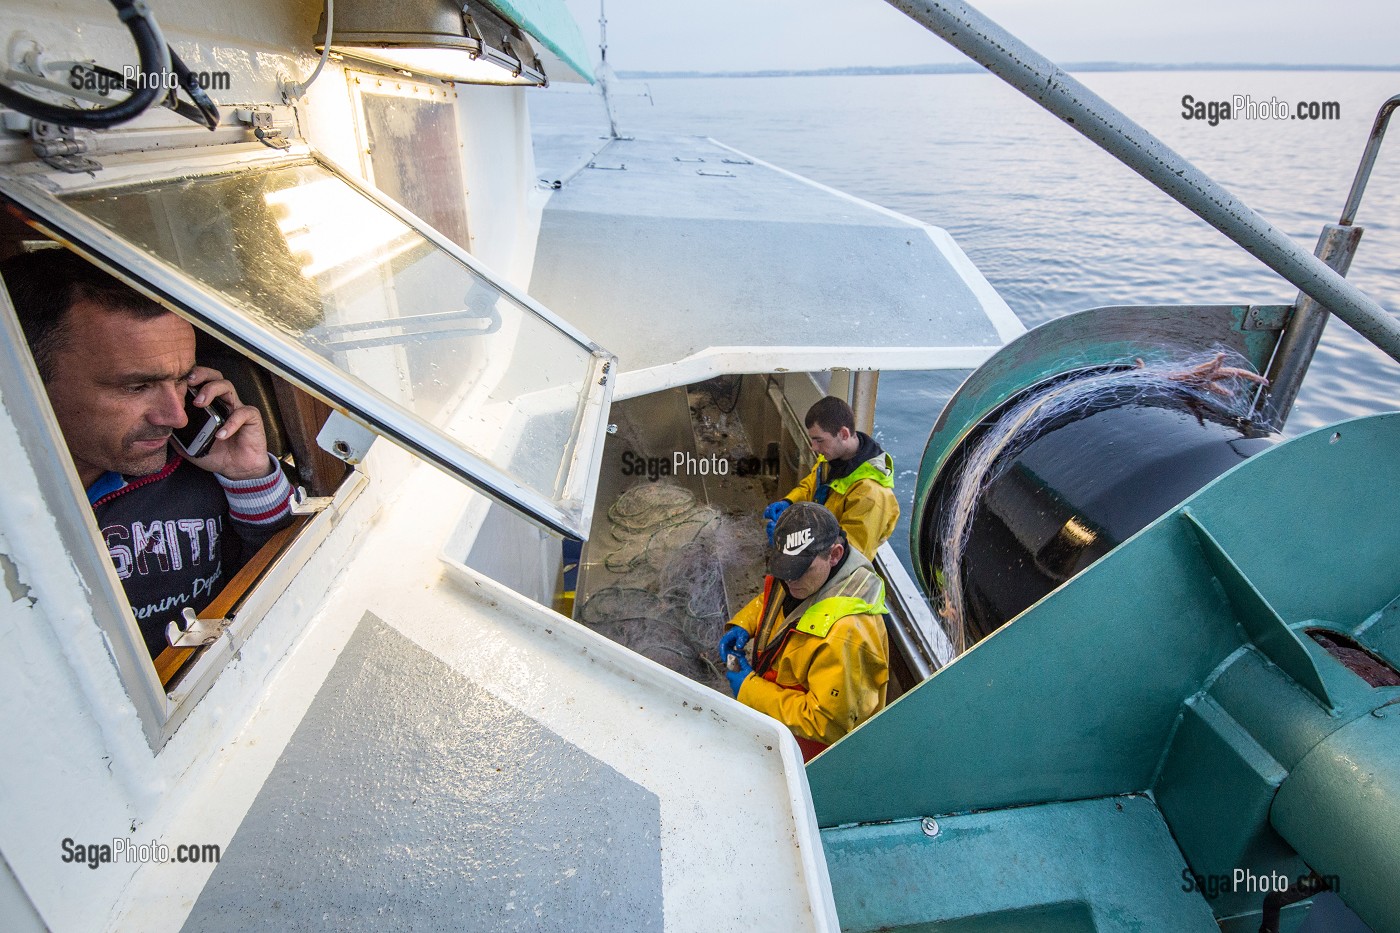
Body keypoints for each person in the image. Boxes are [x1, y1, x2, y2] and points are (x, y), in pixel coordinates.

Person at [4, 249, 294, 658]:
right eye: (136, 387)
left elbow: (286, 587)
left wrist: (248, 479)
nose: (176, 417)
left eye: (180, 379)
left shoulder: (197, 466)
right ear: (24, 377)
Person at [720, 502, 889, 761]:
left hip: (805, 754)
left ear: (834, 554)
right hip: (778, 725)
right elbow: (776, 600)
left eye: (800, 571)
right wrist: (745, 624)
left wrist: (750, 690)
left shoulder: (847, 635)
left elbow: (826, 724)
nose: (789, 581)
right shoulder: (803, 576)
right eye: (783, 570)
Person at [764, 395, 898, 561]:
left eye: (819, 440)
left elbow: (845, 554)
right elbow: (811, 487)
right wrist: (789, 502)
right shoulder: (831, 458)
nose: (813, 447)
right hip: (813, 551)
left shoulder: (871, 495)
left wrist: (792, 542)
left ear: (843, 434)